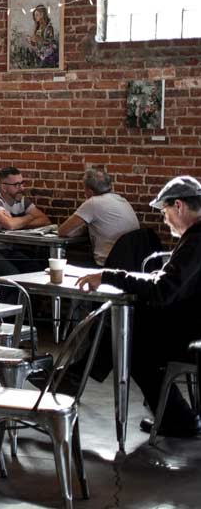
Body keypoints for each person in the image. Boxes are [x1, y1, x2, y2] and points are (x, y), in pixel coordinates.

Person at [75, 176, 201, 437]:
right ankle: (78, 373)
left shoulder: (196, 240)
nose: (165, 220)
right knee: (125, 323)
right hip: (192, 319)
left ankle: (178, 420)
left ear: (178, 206)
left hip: (194, 330)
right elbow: (167, 284)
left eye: (165, 212)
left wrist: (110, 276)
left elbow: (162, 290)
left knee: (129, 341)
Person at [0, 166, 51, 276]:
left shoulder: (21, 199)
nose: (21, 188)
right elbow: (10, 225)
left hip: (8, 250)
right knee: (12, 275)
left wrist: (18, 222)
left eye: (22, 183)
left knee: (37, 271)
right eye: (16, 185)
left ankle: (26, 294)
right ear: (3, 187)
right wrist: (29, 217)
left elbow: (45, 220)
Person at [58, 168, 140, 266]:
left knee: (69, 262)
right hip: (131, 260)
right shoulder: (121, 199)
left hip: (109, 262)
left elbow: (62, 231)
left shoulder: (93, 203)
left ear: (90, 191)